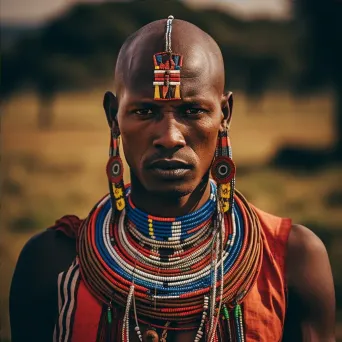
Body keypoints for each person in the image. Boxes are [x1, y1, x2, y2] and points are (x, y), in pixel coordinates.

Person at [9, 16, 336, 342]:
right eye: (144, 111)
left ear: (225, 115)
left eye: (192, 110)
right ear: (113, 116)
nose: (169, 137)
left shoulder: (292, 260)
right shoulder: (51, 263)